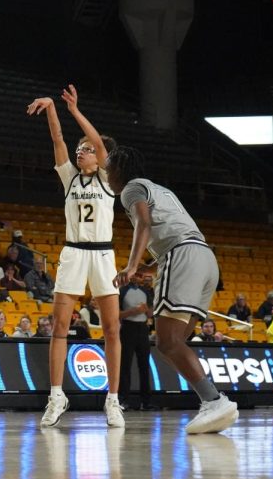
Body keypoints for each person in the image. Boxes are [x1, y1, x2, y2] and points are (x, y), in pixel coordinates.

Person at [108, 145, 238, 435]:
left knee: (166, 341)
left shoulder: (131, 189)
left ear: (118, 169)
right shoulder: (160, 189)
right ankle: (211, 401)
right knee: (177, 339)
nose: (106, 173)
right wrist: (149, 268)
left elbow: (145, 222)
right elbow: (175, 231)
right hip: (204, 257)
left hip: (182, 257)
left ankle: (214, 400)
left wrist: (131, 266)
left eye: (108, 168)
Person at [28, 86, 123, 429]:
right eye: (79, 149)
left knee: (112, 329)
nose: (81, 152)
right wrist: (53, 108)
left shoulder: (109, 180)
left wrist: (75, 112)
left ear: (100, 157)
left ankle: (112, 399)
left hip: (102, 254)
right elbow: (57, 141)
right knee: (60, 328)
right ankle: (56, 395)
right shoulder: (69, 178)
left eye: (87, 150)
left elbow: (97, 140)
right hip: (73, 252)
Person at [118, 269, 155, 411]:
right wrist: (132, 312)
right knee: (125, 366)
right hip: (128, 328)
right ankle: (123, 400)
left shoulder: (145, 292)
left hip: (142, 329)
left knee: (144, 366)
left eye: (139, 275)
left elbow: (150, 313)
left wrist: (146, 310)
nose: (137, 277)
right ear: (128, 275)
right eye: (135, 274)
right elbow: (116, 314)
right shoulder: (122, 291)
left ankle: (145, 402)